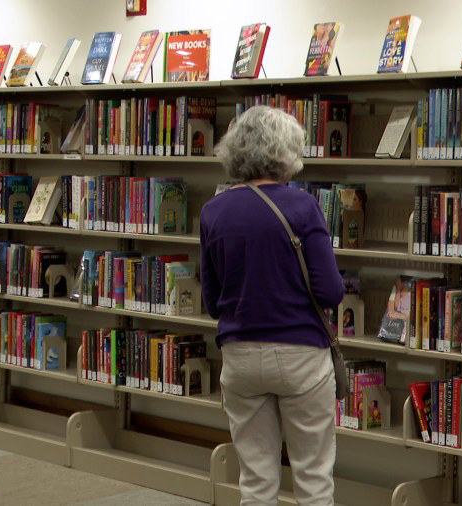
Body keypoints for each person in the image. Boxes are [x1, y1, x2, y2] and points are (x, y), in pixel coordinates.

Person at [201, 106, 345, 505]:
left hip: (240, 356)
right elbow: (330, 292)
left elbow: (212, 301)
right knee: (313, 476)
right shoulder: (303, 208)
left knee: (256, 478)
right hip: (301, 355)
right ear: (287, 152)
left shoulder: (213, 211)